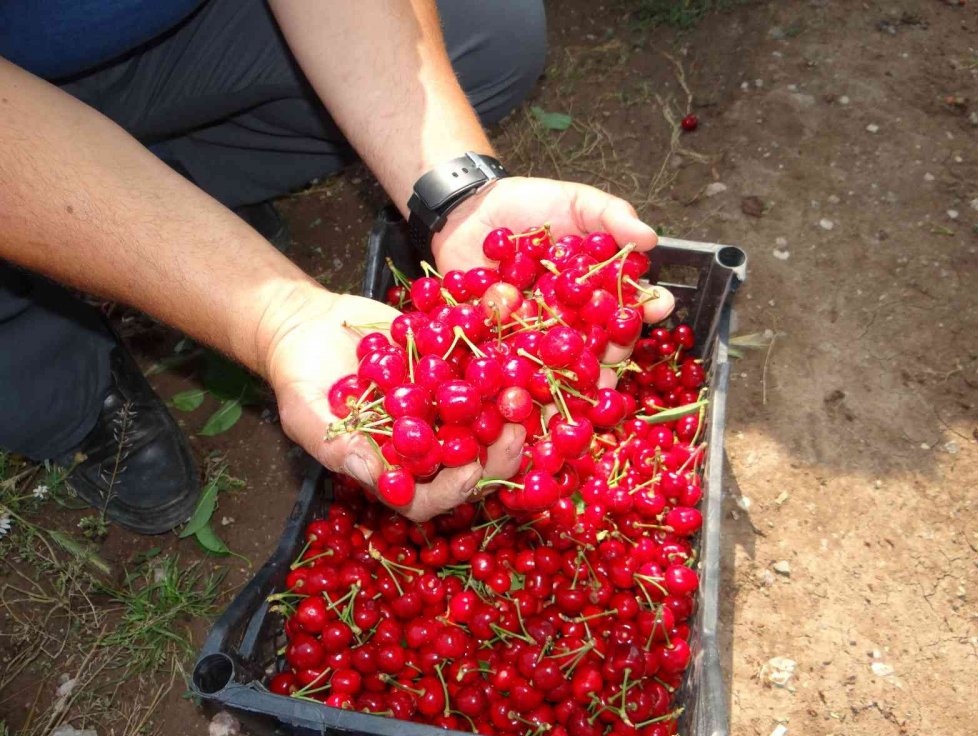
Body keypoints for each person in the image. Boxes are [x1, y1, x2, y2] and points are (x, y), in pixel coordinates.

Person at [0, 1, 670, 533]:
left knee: (492, 38)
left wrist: (455, 192)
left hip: (179, 28)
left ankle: (160, 192)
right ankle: (62, 377)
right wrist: (276, 315)